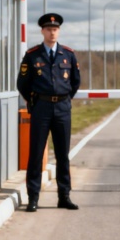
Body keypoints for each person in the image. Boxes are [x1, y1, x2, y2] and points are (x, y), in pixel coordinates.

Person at [17, 13, 81, 212]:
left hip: (62, 108)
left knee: (63, 154)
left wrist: (65, 97)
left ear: (58, 31)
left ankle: (64, 196)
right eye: (48, 29)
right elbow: (22, 84)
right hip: (41, 108)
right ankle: (33, 198)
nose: (52, 32)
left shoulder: (68, 54)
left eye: (55, 29)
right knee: (35, 153)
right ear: (42, 31)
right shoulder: (32, 55)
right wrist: (36, 101)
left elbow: (75, 81)